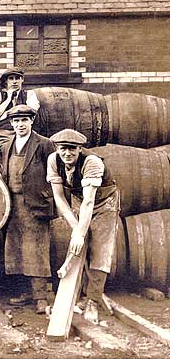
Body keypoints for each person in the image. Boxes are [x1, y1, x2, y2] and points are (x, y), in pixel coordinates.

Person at [47, 129, 119, 324]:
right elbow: (59, 197)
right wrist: (76, 230)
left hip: (104, 202)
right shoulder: (53, 160)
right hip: (78, 199)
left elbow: (90, 201)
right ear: (57, 148)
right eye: (63, 149)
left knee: (100, 249)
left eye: (72, 149)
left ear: (80, 148)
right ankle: (78, 295)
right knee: (79, 247)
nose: (67, 153)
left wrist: (80, 233)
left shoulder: (92, 162)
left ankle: (93, 302)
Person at [0, 105, 55, 314]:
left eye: (24, 120)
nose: (20, 124)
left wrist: (48, 198)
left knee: (36, 250)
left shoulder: (44, 144)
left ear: (31, 121)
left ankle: (41, 297)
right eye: (16, 121)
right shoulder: (8, 145)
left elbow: (55, 174)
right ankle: (25, 292)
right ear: (12, 123)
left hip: (35, 205)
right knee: (16, 248)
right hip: (12, 204)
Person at [0, 67, 40, 153]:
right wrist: (8, 99)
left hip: (26, 133)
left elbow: (32, 111)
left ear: (22, 80)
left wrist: (6, 114)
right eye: (11, 79)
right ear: (6, 82)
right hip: (4, 134)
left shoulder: (29, 94)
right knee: (10, 150)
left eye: (17, 78)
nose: (14, 81)